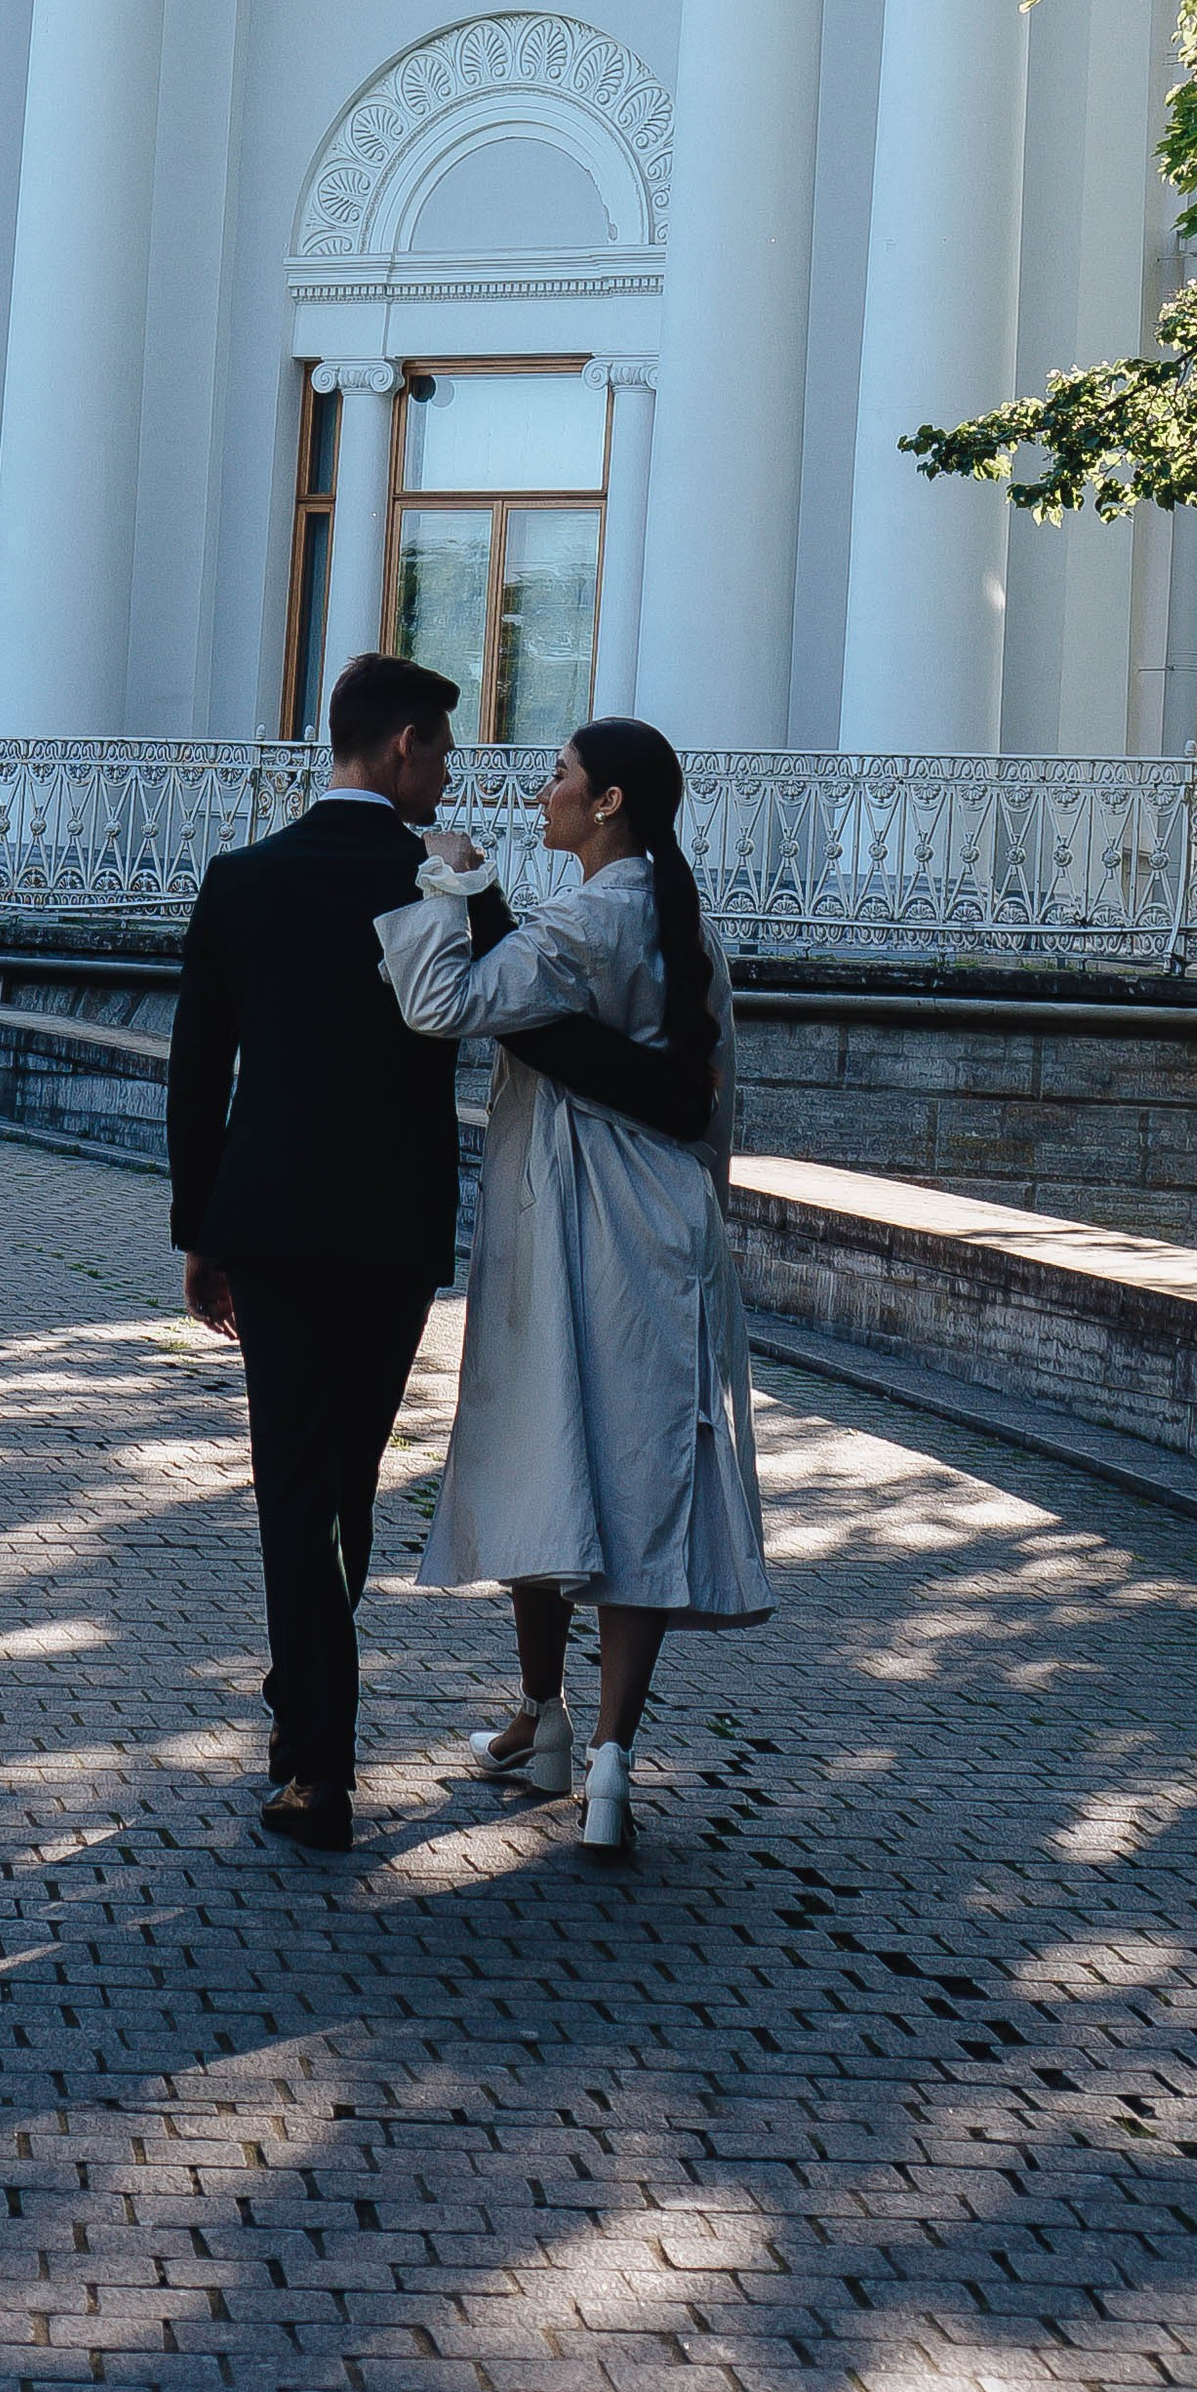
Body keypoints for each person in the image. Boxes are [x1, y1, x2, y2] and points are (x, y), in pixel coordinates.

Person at [167, 653, 713, 1853]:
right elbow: (537, 1026)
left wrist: (199, 1231)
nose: (460, 778)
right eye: (448, 752)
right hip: (392, 1233)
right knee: (346, 1483)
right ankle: (316, 1710)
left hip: (267, 1227)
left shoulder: (242, 877)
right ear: (407, 746)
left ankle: (315, 1753)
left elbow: (199, 1071)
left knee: (294, 1483)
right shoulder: (446, 887)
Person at [372, 717, 772, 1856]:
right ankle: (600, 1756)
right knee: (642, 1470)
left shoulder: (585, 920)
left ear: (607, 804)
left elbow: (440, 1004)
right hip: (665, 1226)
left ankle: (543, 1709)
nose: (541, 791)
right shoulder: (682, 923)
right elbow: (713, 1106)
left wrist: (443, 881)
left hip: (568, 1218)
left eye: (559, 777)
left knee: (542, 1443)